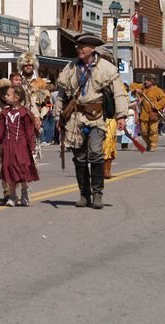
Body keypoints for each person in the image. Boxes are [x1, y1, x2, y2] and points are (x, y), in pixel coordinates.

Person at [53, 33, 128, 209]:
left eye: (83, 46)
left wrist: (122, 115)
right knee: (79, 158)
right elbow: (62, 95)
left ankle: (97, 194)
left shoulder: (107, 68)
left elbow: (118, 92)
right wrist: (58, 117)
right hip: (74, 118)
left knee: (95, 153)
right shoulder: (70, 68)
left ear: (92, 48)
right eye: (77, 46)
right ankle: (84, 195)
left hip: (97, 118)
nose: (79, 49)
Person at [0, 86, 38, 206]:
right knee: (10, 169)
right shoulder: (5, 113)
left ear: (16, 98)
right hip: (8, 145)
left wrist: (32, 147)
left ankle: (24, 191)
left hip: (21, 146)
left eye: (8, 95)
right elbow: (0, 131)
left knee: (21, 168)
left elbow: (29, 132)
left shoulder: (25, 113)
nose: (5, 96)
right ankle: (12, 196)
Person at [136, 74, 165, 151]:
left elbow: (164, 100)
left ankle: (153, 145)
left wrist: (157, 105)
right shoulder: (143, 90)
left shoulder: (158, 90)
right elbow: (139, 98)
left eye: (147, 80)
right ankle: (148, 143)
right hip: (144, 114)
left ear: (152, 81)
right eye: (145, 80)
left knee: (153, 130)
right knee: (143, 132)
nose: (146, 81)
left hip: (153, 113)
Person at [119, 82, 138, 150]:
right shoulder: (119, 94)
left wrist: (127, 105)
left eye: (125, 86)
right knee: (121, 129)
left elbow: (135, 103)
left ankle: (125, 145)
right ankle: (122, 144)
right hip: (121, 113)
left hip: (129, 114)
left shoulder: (131, 94)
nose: (124, 87)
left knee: (128, 129)